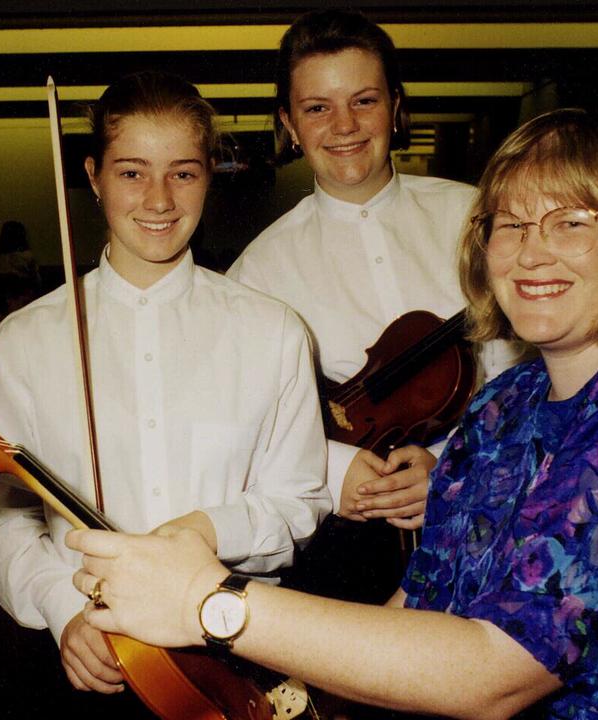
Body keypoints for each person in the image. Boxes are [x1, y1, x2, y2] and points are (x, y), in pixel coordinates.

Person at [68, 107, 598, 718]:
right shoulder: (506, 404)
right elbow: (420, 603)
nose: (532, 254)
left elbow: (496, 673)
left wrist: (211, 602)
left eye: (571, 222)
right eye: (511, 224)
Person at [0, 71, 329, 703]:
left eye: (183, 172)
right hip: (89, 660)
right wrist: (60, 607)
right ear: (93, 176)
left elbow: (300, 503)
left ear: (209, 175)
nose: (159, 198)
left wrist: (209, 531)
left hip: (237, 653)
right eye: (132, 172)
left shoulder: (276, 332)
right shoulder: (21, 343)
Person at [227, 9, 521, 603]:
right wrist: (337, 472)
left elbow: (529, 374)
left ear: (396, 105)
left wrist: (456, 467)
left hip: (506, 513)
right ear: (288, 122)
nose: (344, 126)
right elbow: (241, 427)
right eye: (317, 108)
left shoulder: (479, 217)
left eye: (364, 100)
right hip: (357, 544)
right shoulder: (256, 272)